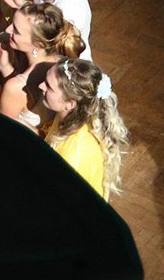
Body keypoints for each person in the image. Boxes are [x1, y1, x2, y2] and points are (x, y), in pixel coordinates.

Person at [0, 2, 84, 129]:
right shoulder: (65, 64)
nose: (8, 30)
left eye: (16, 30)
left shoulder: (15, 87)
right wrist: (5, 67)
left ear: (38, 44)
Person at [39, 58, 129, 199]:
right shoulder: (69, 119)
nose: (40, 86)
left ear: (69, 104)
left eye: (49, 87)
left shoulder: (73, 155)